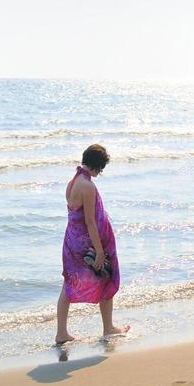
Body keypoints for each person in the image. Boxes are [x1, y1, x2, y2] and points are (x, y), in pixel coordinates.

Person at [55, 143, 129, 343]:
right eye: (102, 169)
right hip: (86, 244)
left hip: (71, 241)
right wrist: (98, 251)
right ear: (98, 166)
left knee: (69, 283)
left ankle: (61, 333)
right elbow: (89, 221)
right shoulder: (87, 186)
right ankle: (109, 327)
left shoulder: (74, 181)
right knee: (107, 277)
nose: (101, 172)